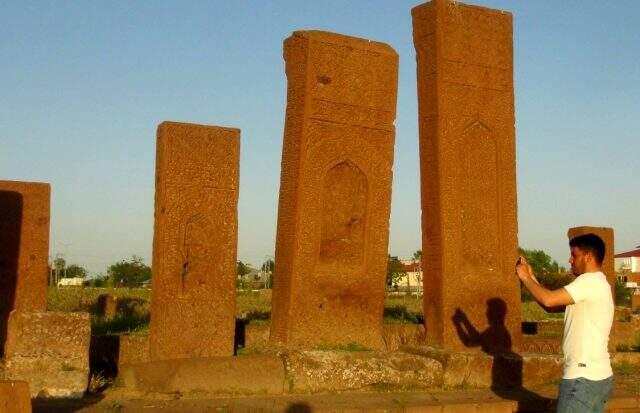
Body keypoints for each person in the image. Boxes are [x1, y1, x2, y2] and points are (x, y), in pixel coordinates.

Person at [515, 233, 614, 413]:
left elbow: (549, 300)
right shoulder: (599, 284)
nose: (570, 260)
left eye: (574, 255)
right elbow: (551, 306)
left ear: (588, 257)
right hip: (598, 378)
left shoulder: (588, 282)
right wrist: (532, 277)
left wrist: (524, 278)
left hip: (583, 378)